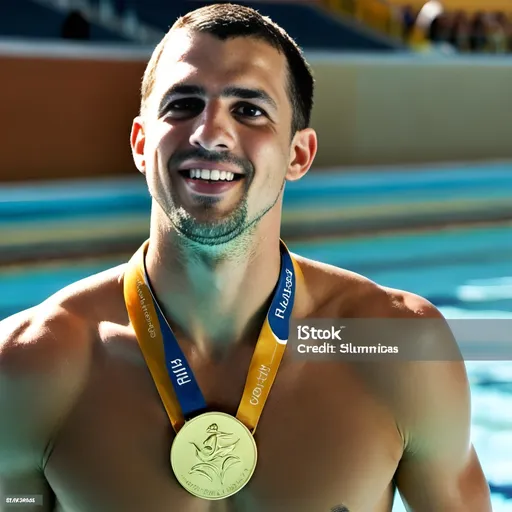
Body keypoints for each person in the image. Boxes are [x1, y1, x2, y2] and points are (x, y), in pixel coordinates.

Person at [0, 3, 493, 511]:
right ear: (141, 144)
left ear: (298, 154)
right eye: (183, 104)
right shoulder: (30, 367)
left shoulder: (399, 351)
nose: (210, 133)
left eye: (249, 109)